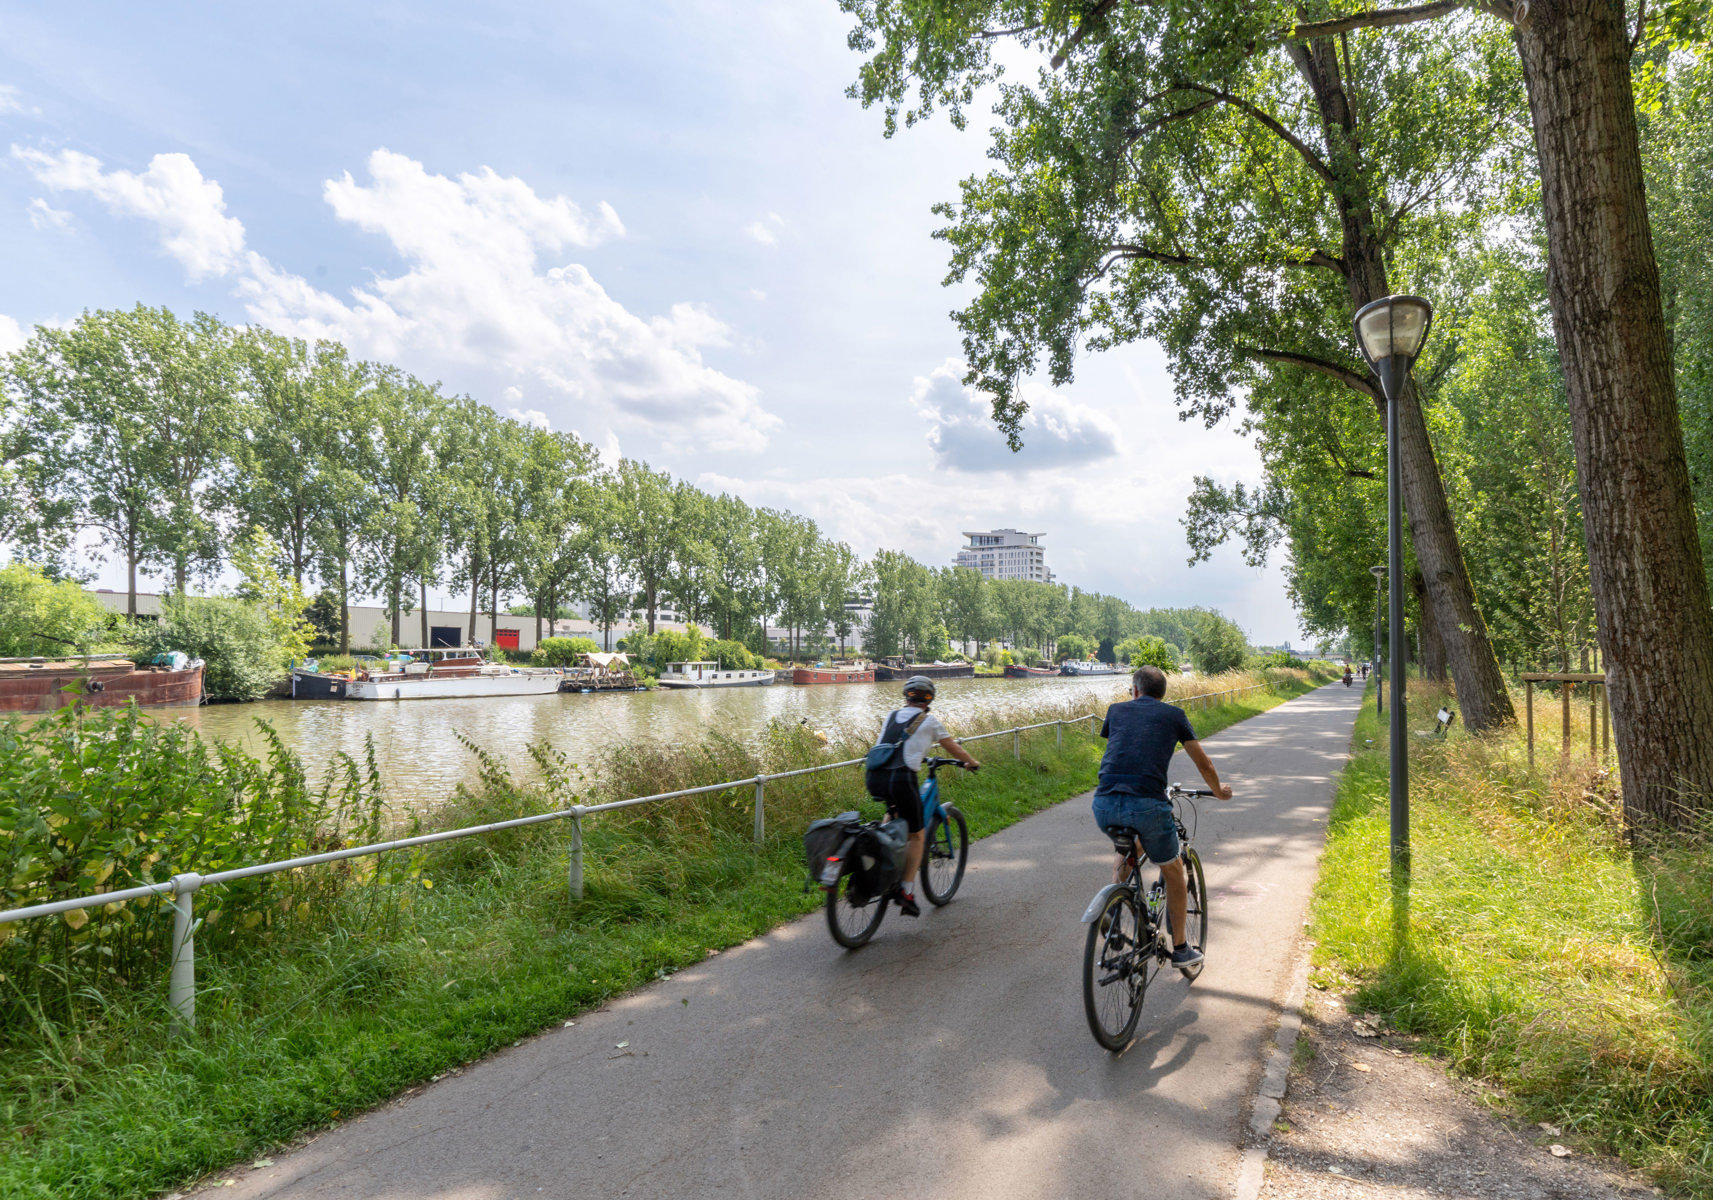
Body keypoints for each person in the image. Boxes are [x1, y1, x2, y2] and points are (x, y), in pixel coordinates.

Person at [1093, 665, 1232, 968]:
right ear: (1163, 693)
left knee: (1127, 847)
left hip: (1103, 804)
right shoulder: (1174, 716)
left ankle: (1113, 909)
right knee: (1174, 870)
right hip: (1147, 806)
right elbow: (1204, 763)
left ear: (1135, 690)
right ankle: (1181, 948)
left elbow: (1125, 751)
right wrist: (1219, 791)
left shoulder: (1115, 711)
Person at [866, 675, 981, 916]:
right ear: (929, 699)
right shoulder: (929, 721)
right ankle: (906, 891)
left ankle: (884, 856)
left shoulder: (891, 715)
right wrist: (971, 762)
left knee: (893, 813)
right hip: (901, 779)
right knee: (917, 835)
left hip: (875, 777)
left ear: (906, 696)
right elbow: (953, 747)